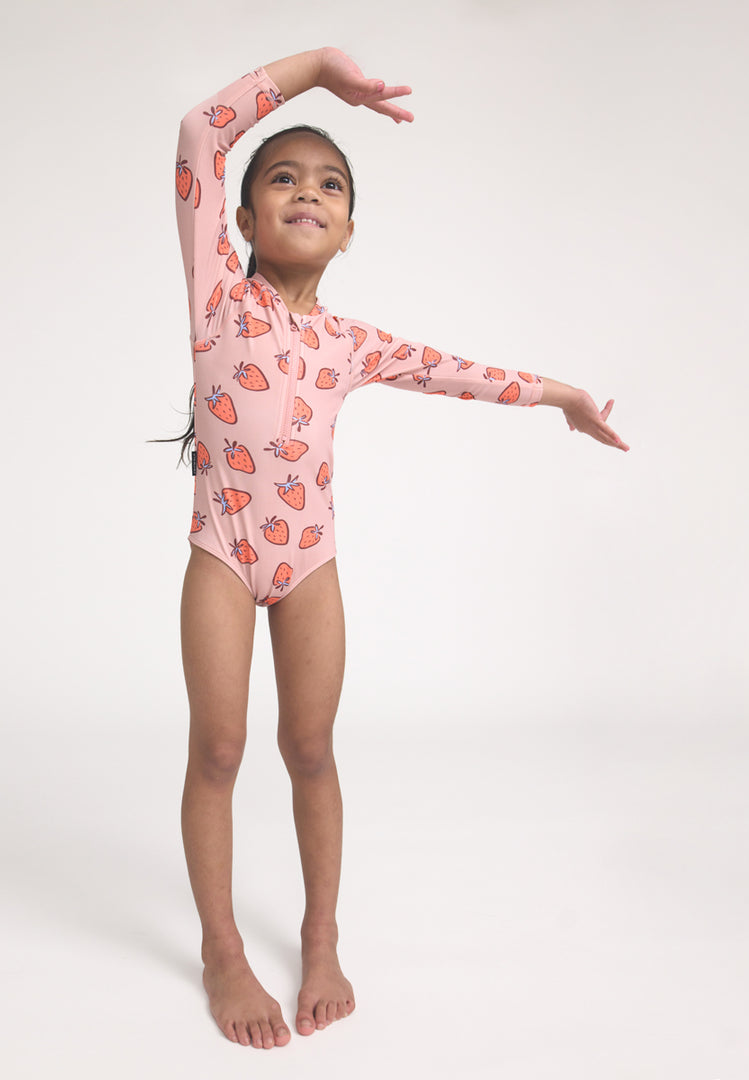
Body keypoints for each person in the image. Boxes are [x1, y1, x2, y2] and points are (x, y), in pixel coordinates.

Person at [156, 46, 629, 1051]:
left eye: (330, 183)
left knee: (313, 748)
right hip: (224, 553)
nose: (307, 192)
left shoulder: (351, 342)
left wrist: (562, 398)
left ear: (350, 230)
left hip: (310, 565)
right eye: (282, 177)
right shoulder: (216, 298)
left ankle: (321, 938)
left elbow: (457, 372)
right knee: (220, 747)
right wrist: (320, 71)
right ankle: (222, 950)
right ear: (240, 222)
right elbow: (203, 132)